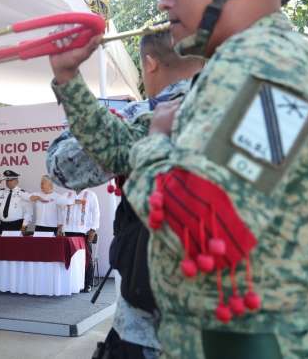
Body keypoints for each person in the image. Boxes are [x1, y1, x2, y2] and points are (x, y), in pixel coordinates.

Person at [50, 0, 308, 356]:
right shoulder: (236, 69)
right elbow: (121, 152)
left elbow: (199, 223)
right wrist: (70, 79)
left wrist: (156, 142)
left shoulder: (278, 72)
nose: (163, 1)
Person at [49, 30, 203, 359]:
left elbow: (63, 168)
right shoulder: (244, 105)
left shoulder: (143, 117)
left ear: (149, 63)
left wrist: (73, 86)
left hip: (151, 329)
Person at [60, 188, 99, 293]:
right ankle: (72, 283)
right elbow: (59, 203)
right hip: (68, 231)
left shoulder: (90, 194)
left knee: (87, 258)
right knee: (70, 257)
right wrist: (72, 201)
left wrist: (93, 229)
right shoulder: (67, 194)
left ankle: (88, 283)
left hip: (83, 232)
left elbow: (96, 213)